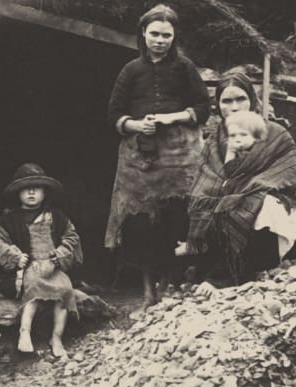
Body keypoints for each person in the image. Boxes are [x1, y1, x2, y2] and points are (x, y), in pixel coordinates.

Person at [105, 4, 210, 309]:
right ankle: (148, 290)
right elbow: (112, 113)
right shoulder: (131, 70)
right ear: (143, 33)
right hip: (140, 159)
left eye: (166, 35)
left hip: (179, 156)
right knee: (140, 223)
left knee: (177, 216)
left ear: (174, 37)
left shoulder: (185, 68)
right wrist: (137, 124)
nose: (160, 40)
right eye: (155, 34)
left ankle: (174, 284)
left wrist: (171, 117)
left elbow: (202, 108)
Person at [181, 72, 296, 297]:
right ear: (218, 105)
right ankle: (214, 269)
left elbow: (291, 177)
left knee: (260, 206)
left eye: (240, 99)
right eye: (227, 101)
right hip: (233, 204)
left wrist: (246, 190)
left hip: (272, 206)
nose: (234, 107)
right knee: (202, 205)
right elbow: (209, 180)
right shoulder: (215, 140)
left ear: (252, 101)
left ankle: (236, 273)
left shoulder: (274, 133)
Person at [0, 163, 83, 359]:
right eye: (25, 189)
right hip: (28, 268)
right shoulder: (9, 218)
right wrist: (15, 257)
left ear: (45, 192)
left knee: (65, 291)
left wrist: (58, 257)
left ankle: (56, 337)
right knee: (34, 287)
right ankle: (25, 332)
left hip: (52, 266)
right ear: (18, 193)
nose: (31, 192)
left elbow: (72, 238)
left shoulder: (57, 216)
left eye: (37, 188)